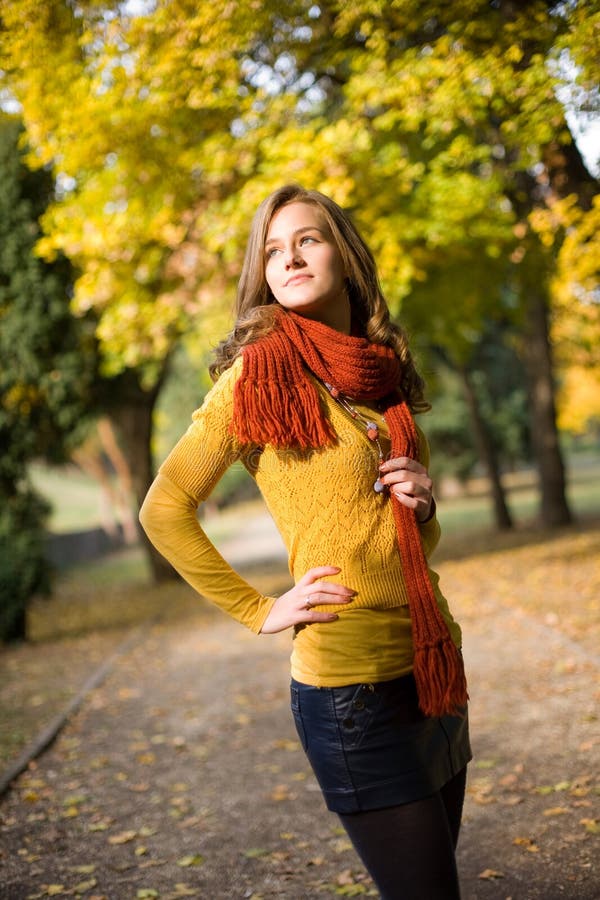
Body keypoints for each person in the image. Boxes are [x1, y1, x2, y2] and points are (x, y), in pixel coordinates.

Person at [139, 184, 471, 900]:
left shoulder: (376, 376)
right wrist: (260, 610)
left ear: (345, 256)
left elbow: (397, 535)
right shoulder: (259, 376)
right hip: (352, 691)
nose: (288, 258)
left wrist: (424, 502)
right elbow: (164, 508)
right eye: (272, 249)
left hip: (432, 665)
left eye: (307, 240)